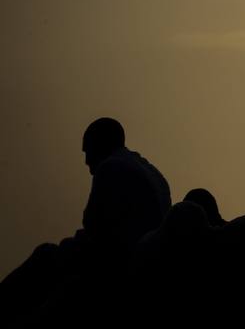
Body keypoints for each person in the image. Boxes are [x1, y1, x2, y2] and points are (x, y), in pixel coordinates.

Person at [0, 118, 171, 321]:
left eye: (87, 151)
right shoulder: (152, 172)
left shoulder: (111, 167)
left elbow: (95, 229)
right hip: (142, 260)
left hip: (120, 264)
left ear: (100, 144)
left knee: (45, 256)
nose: (86, 162)